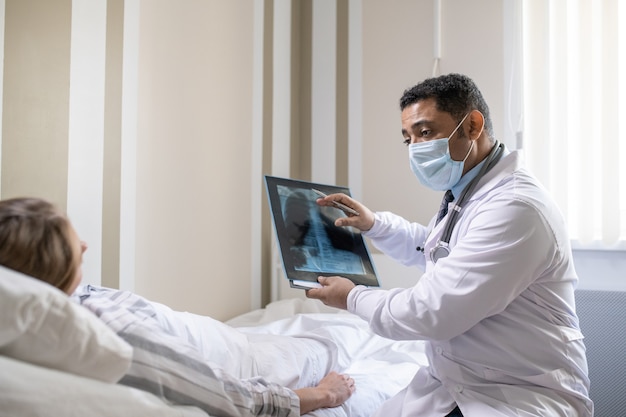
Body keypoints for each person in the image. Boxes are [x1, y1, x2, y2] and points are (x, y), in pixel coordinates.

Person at [306, 73, 593, 416]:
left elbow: (431, 311)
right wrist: (374, 224)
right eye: (408, 138)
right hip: (458, 382)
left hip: (518, 393)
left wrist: (351, 297)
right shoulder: (470, 193)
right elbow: (436, 249)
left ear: (472, 125)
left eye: (425, 133)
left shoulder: (515, 207)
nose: (415, 148)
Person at [0, 197, 355, 416]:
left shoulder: (61, 304)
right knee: (337, 340)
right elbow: (237, 400)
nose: (84, 245)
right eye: (71, 241)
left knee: (324, 330)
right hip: (239, 360)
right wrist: (324, 394)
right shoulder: (111, 333)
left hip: (223, 338)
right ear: (51, 263)